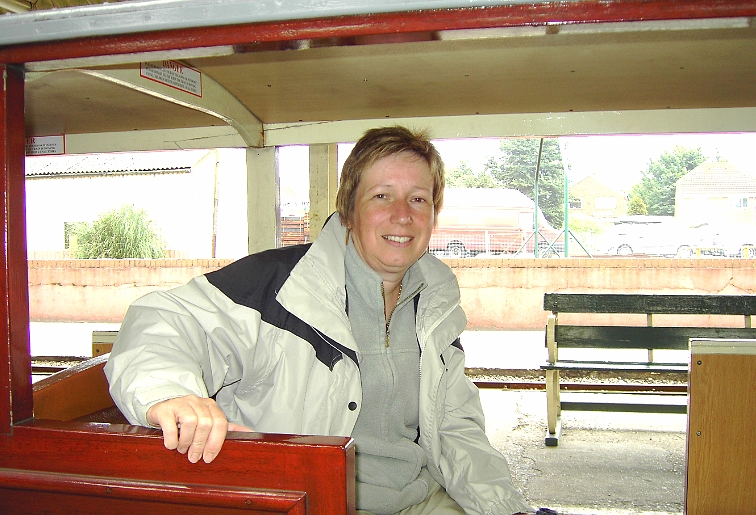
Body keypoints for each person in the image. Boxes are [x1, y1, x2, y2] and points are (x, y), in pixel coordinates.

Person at [105, 126, 535, 515]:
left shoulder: (436, 308)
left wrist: (503, 507)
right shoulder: (275, 286)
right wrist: (172, 393)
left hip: (419, 499)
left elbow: (457, 429)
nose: (403, 214)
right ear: (349, 210)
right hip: (309, 502)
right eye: (381, 195)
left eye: (419, 199)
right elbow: (164, 319)